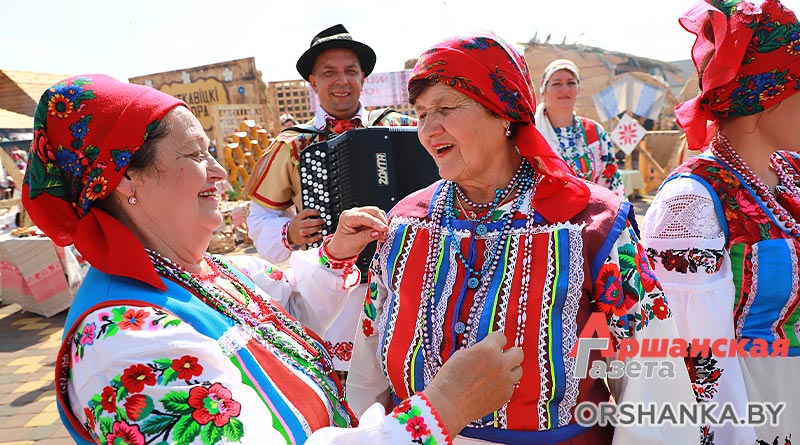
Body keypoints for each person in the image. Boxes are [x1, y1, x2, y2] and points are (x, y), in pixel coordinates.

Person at [26, 74, 524, 444]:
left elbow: (282, 315)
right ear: (126, 180)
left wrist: (333, 253)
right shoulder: (126, 343)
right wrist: (442, 408)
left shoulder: (197, 272)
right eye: (195, 155)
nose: (220, 173)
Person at [346, 32, 697, 444]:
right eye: (421, 113)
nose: (427, 130)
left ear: (504, 113)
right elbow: (367, 371)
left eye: (445, 108)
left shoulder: (591, 226)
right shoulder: (405, 225)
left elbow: (649, 388)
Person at [642, 0, 800, 443]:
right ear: (767, 95)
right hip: (758, 410)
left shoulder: (790, 172)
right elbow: (700, 361)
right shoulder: (691, 203)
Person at [245, 24, 417, 372]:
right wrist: (289, 233)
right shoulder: (292, 144)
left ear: (363, 78)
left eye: (350, 71)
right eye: (329, 73)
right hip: (336, 295)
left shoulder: (402, 127)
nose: (342, 81)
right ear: (313, 82)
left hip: (405, 281)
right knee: (346, 383)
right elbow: (260, 217)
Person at [534, 59, 625, 197]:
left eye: (571, 83)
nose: (565, 89)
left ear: (578, 89)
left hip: (592, 215)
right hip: (540, 216)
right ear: (543, 91)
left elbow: (612, 184)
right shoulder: (531, 133)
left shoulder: (595, 133)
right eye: (556, 83)